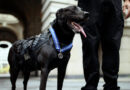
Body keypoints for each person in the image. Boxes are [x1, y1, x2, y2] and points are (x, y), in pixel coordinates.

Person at [78, 0, 130, 90]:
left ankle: (111, 85)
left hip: (114, 4)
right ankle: (90, 85)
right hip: (89, 4)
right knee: (89, 45)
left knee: (112, 45)